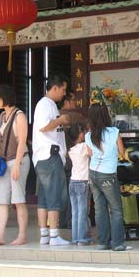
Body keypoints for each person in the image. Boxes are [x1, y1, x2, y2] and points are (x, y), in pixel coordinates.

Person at [0, 84, 29, 246]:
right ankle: (0, 235)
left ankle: (22, 235)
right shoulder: (3, 116)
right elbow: (2, 143)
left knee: (18, 199)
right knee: (2, 200)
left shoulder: (19, 116)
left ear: (4, 98)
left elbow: (22, 142)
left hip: (18, 160)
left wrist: (17, 164)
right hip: (4, 161)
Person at [32, 75, 71, 246]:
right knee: (54, 195)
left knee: (44, 198)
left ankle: (44, 235)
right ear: (54, 88)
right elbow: (43, 127)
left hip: (43, 157)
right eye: (63, 90)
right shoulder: (45, 104)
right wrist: (61, 120)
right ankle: (54, 235)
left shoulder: (48, 105)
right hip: (50, 156)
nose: (64, 94)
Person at [86, 104, 130, 251]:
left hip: (93, 174)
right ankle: (117, 243)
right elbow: (122, 153)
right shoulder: (114, 132)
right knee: (116, 209)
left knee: (99, 209)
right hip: (108, 175)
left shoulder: (88, 135)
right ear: (106, 115)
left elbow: (90, 154)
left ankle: (102, 242)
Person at [59, 91, 87, 229]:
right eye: (73, 100)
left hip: (60, 157)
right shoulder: (76, 117)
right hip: (75, 159)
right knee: (75, 197)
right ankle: (72, 222)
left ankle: (62, 221)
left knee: (62, 192)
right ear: (67, 102)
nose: (75, 103)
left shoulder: (55, 115)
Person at [67, 121, 91, 245]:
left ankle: (75, 237)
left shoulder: (71, 150)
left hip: (73, 182)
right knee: (83, 211)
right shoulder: (83, 147)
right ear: (81, 135)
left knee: (75, 211)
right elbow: (92, 152)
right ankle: (82, 238)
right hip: (83, 182)